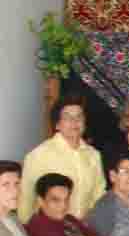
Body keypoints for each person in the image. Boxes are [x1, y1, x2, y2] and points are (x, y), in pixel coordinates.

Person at [18, 94, 105, 222]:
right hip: (50, 231)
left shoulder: (93, 155)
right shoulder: (39, 155)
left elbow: (98, 196)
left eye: (79, 116)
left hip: (84, 229)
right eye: (67, 117)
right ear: (57, 124)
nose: (75, 122)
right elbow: (26, 200)